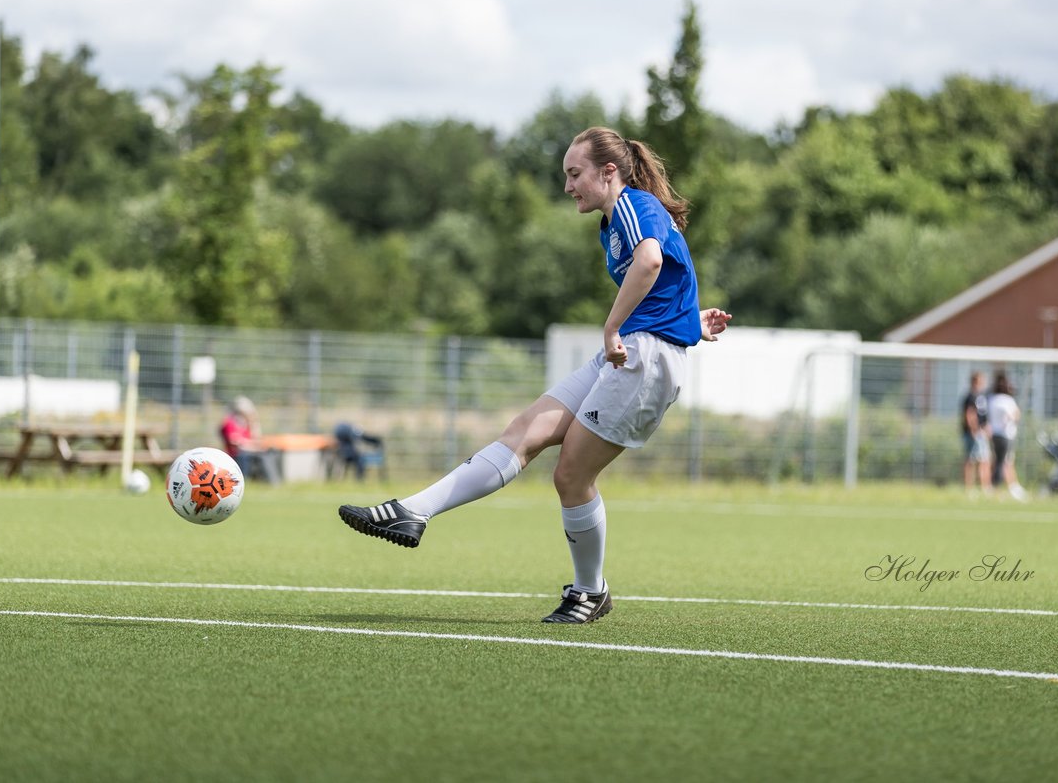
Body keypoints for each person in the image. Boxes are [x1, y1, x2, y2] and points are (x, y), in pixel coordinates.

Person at [338, 127, 733, 625]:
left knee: (571, 474)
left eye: (575, 174)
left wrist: (614, 326)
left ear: (608, 172)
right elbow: (669, 281)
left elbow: (652, 261)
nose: (568, 186)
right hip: (633, 349)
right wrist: (692, 324)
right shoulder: (615, 222)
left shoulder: (633, 206)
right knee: (524, 433)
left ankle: (590, 592)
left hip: (640, 356)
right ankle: (412, 511)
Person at [220, 396, 281, 485]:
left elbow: (256, 439)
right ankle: (245, 480)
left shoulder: (246, 424)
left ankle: (271, 481)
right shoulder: (230, 423)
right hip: (236, 454)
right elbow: (236, 444)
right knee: (245, 455)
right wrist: (252, 445)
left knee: (270, 451)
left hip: (248, 451)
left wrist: (254, 423)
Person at [987, 373, 1025, 500]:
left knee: (1002, 460)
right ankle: (996, 487)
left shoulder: (992, 399)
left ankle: (1011, 486)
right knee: (1002, 461)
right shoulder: (1007, 400)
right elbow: (1014, 415)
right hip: (1005, 435)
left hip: (994, 434)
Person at [960, 371, 992, 492]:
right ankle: (969, 488)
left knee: (984, 460)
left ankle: (985, 487)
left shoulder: (982, 397)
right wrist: (973, 429)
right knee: (971, 460)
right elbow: (969, 414)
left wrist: (987, 427)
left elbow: (983, 415)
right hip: (973, 433)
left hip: (981, 433)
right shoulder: (970, 397)